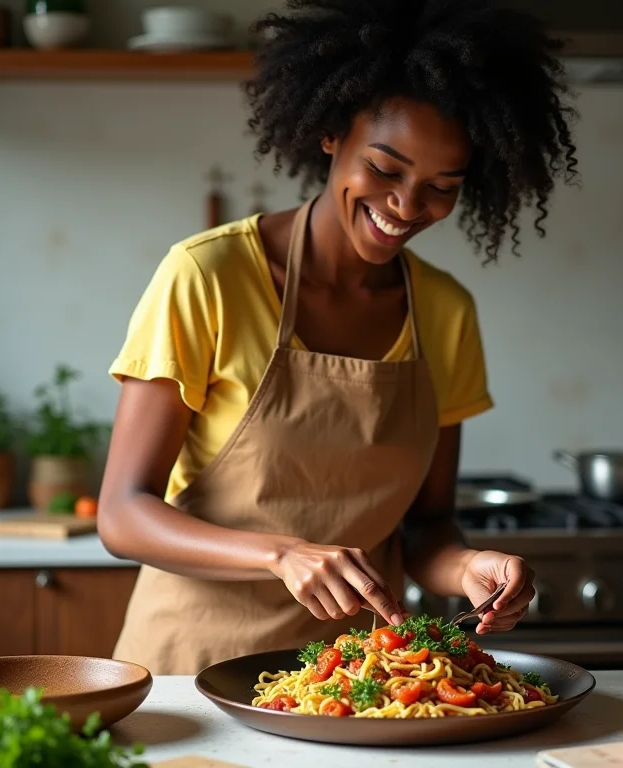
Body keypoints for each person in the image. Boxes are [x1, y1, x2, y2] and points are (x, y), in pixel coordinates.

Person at [98, 0, 578, 676]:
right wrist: (280, 553)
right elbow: (122, 514)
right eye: (385, 169)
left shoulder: (445, 312)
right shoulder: (209, 275)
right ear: (330, 134)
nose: (408, 206)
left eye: (441, 188)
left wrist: (471, 565)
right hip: (194, 670)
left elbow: (426, 528)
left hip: (354, 682)